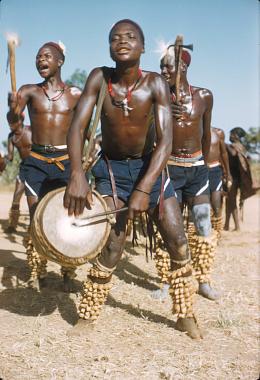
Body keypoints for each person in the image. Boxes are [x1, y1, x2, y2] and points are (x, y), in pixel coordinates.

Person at [64, 19, 202, 339]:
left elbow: (165, 141)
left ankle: (185, 313)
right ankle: (88, 314)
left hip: (149, 167)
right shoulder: (100, 78)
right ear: (109, 47)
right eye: (115, 38)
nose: (121, 41)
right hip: (111, 170)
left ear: (142, 47)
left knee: (177, 238)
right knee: (112, 244)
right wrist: (76, 174)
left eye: (130, 37)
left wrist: (144, 189)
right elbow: (77, 128)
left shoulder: (154, 84)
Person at [6, 41, 82, 290]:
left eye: (47, 56)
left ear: (60, 61)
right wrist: (12, 110)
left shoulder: (75, 94)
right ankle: (39, 271)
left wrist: (82, 164)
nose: (40, 60)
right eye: (38, 57)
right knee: (37, 218)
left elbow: (83, 131)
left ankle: (68, 271)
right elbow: (14, 125)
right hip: (36, 163)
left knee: (67, 218)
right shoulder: (29, 92)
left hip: (65, 163)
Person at [159, 43, 219, 301]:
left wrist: (202, 165)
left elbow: (206, 134)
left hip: (197, 170)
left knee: (203, 224)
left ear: (183, 67)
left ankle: (204, 279)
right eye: (161, 65)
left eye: (167, 65)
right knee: (170, 227)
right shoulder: (158, 97)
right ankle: (166, 280)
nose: (162, 70)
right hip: (170, 169)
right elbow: (151, 134)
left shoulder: (204, 96)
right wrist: (161, 115)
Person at [224, 127, 255, 231]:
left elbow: (233, 154)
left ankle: (237, 226)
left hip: (233, 178)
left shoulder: (235, 146)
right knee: (229, 201)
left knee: (232, 202)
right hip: (235, 177)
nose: (230, 136)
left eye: (231, 134)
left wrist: (224, 145)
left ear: (236, 136)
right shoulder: (241, 146)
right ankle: (226, 225)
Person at [4, 115, 32, 233]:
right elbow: (10, 157)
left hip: (37, 167)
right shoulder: (11, 137)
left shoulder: (31, 130)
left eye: (12, 122)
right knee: (16, 196)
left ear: (20, 121)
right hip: (24, 168)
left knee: (35, 198)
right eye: (9, 122)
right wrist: (2, 159)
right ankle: (13, 224)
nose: (10, 125)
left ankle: (35, 225)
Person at [207, 126, 232, 240]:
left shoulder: (218, 132)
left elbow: (224, 153)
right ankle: (201, 235)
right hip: (199, 170)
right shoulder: (194, 130)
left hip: (215, 170)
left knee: (216, 203)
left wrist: (228, 173)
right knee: (201, 205)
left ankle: (217, 234)